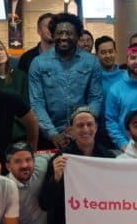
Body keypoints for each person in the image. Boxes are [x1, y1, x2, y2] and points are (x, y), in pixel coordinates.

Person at [39, 106, 116, 224]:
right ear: (71, 131)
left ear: (97, 127)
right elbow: (44, 204)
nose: (85, 129)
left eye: (89, 124)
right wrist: (55, 178)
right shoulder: (60, 159)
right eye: (80, 126)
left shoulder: (110, 158)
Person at [28, 12, 104, 149]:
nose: (64, 37)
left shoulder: (92, 62)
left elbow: (96, 98)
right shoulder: (38, 63)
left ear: (78, 36)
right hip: (48, 136)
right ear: (53, 35)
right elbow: (37, 103)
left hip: (83, 134)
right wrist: (52, 133)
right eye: (59, 33)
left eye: (69, 33)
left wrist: (79, 126)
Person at [16, 12, 55, 78]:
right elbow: (21, 84)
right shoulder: (26, 58)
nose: (51, 29)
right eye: (47, 26)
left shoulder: (66, 56)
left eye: (54, 26)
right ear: (39, 30)